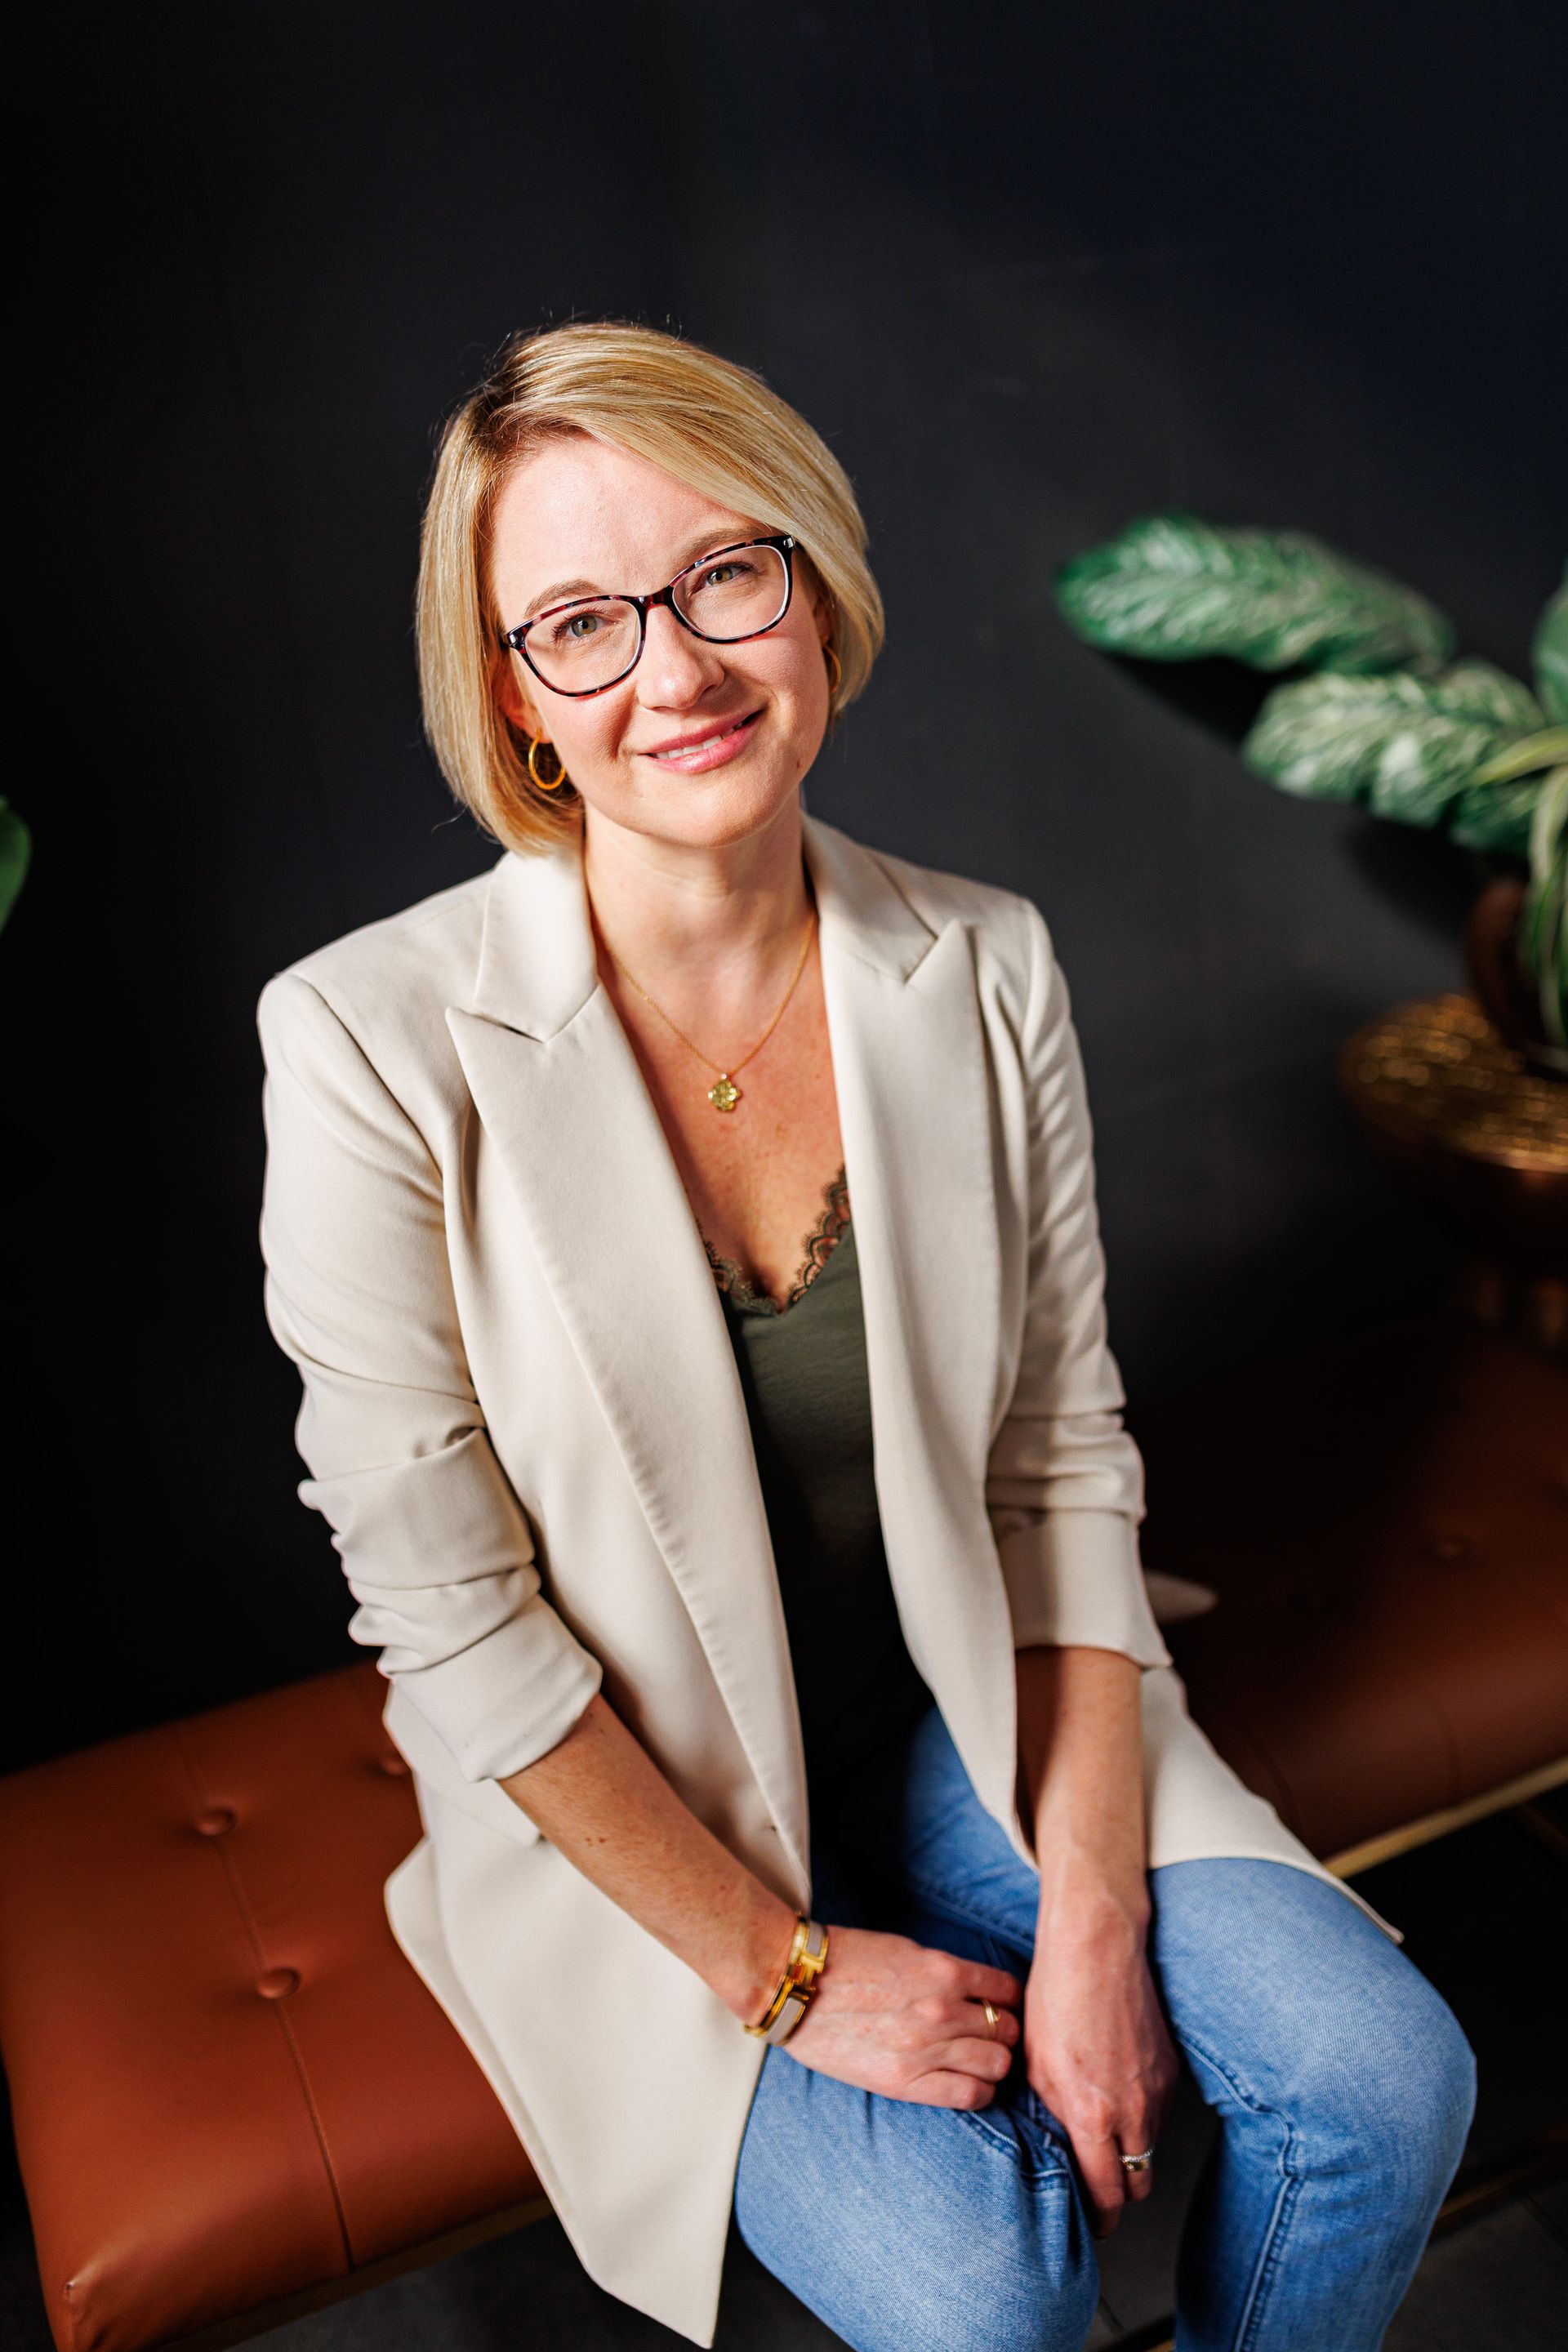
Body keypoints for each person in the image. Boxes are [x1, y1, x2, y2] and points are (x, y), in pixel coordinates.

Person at [257, 320, 1475, 2352]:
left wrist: (1095, 1911)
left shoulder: (983, 963)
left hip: (959, 1708)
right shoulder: (364, 1044)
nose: (676, 669)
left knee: (1384, 2082)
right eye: (581, 621)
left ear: (814, 590)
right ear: (516, 696)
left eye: (724, 574)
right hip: (636, 1803)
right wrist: (788, 1974)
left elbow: (1057, 1467)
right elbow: (453, 1626)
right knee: (989, 2295)